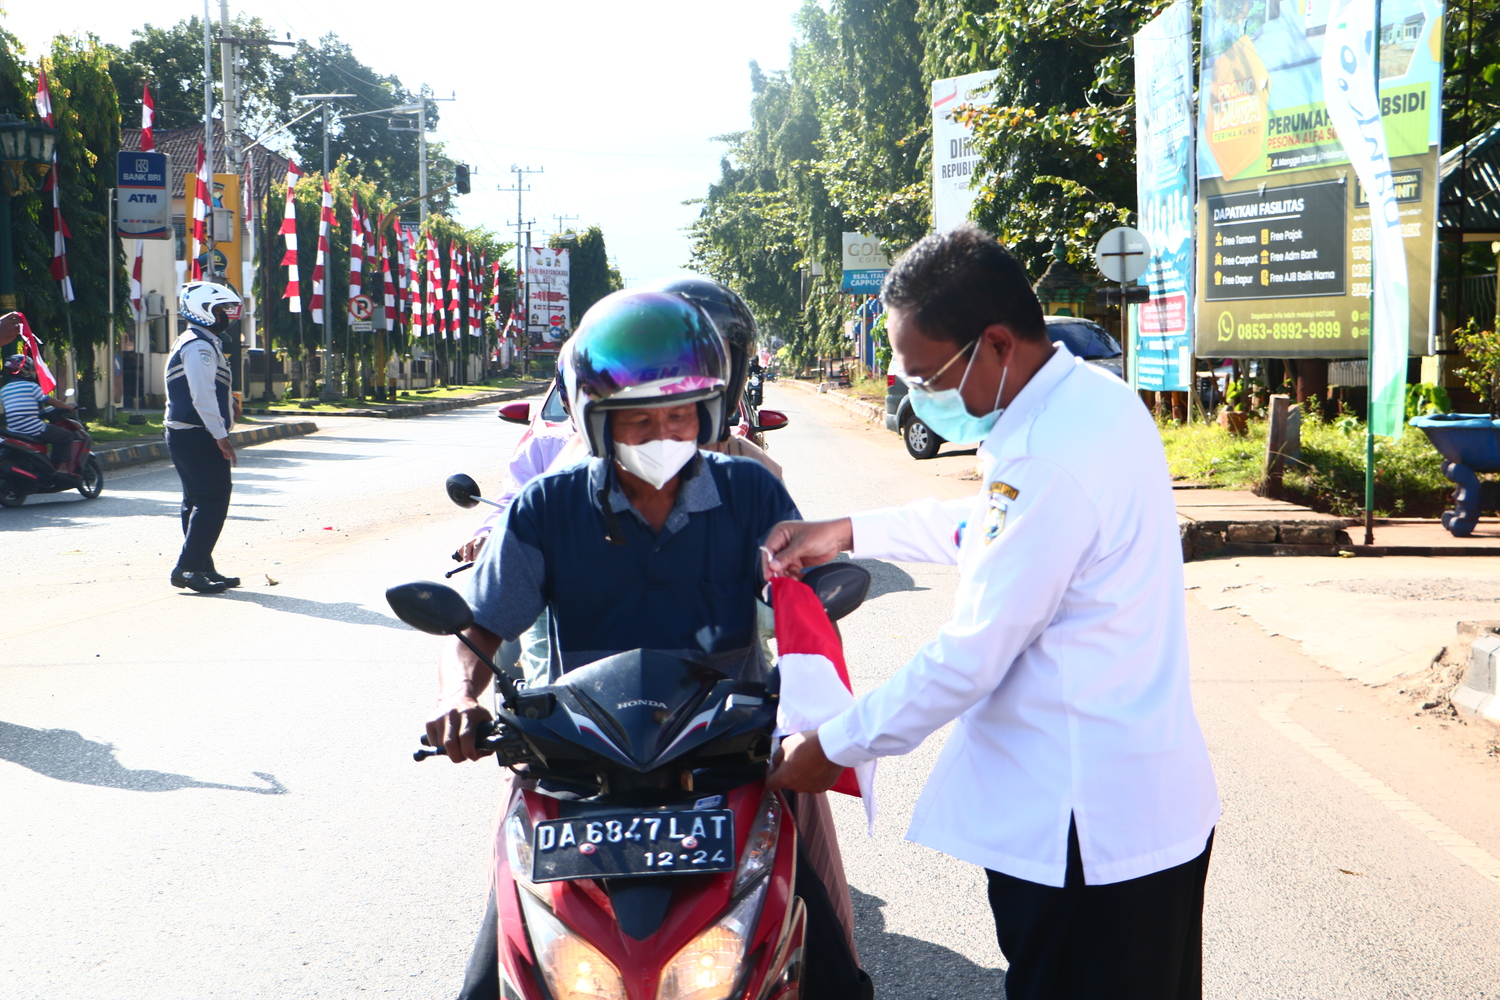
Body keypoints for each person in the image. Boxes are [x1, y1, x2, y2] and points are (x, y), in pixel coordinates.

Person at [763, 225, 1220, 1000]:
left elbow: (971, 654)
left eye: (926, 376)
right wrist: (850, 530)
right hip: (1144, 808)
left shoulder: (1046, 452)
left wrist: (835, 744)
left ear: (997, 344)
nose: (915, 396)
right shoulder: (1093, 403)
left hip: (1085, 834)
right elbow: (990, 528)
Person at [428, 289, 869, 1000]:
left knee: (829, 964)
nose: (662, 433)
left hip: (729, 757)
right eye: (637, 420)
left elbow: (800, 612)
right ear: (595, 423)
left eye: (680, 415)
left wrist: (809, 716)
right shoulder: (546, 507)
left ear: (713, 411)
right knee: (495, 971)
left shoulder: (753, 494)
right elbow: (479, 627)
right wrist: (459, 697)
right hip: (577, 765)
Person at [164, 281, 243, 595]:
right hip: (197, 435)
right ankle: (187, 567)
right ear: (203, 310)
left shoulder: (199, 340)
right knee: (212, 499)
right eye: (220, 309)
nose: (225, 315)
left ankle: (201, 566)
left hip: (190, 434)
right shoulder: (198, 345)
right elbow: (202, 396)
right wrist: (221, 436)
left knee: (196, 502)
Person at [1, 354, 77, 471]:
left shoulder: (4, 390)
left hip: (14, 430)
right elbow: (51, 401)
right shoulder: (32, 386)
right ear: (26, 370)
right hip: (33, 428)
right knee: (66, 436)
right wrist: (68, 406)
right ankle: (62, 468)